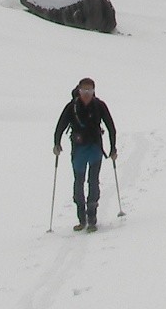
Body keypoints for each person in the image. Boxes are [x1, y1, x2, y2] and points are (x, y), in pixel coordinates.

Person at [53, 77, 117, 232]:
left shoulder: (99, 106)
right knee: (79, 182)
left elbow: (111, 127)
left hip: (95, 148)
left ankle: (92, 217)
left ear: (94, 91)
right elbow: (60, 126)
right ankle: (82, 218)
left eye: (90, 90)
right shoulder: (72, 107)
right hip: (79, 149)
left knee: (93, 181)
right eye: (84, 90)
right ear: (79, 91)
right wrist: (57, 144)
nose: (87, 93)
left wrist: (113, 148)